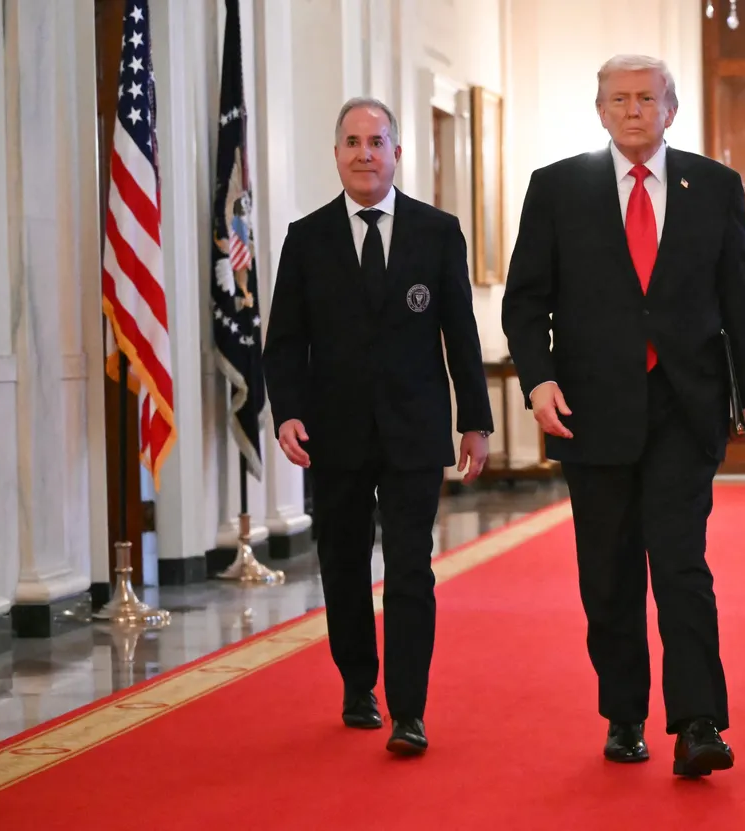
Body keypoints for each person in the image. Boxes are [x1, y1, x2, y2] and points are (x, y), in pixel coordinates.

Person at [501, 54, 745, 777]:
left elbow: (740, 297)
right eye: (618, 99)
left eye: (646, 98)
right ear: (599, 111)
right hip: (592, 409)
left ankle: (699, 721)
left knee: (682, 561)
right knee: (610, 572)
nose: (632, 110)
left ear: (671, 110)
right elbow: (525, 301)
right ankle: (624, 712)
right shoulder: (558, 188)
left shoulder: (713, 186)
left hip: (686, 404)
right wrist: (539, 380)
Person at [263, 97, 493, 756]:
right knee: (341, 562)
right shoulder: (307, 239)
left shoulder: (437, 231)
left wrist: (474, 420)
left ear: (398, 152)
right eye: (354, 142)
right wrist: (290, 411)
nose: (366, 153)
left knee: (412, 567)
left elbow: (460, 333)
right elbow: (286, 342)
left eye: (378, 141)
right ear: (336, 154)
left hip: (415, 431)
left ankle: (409, 709)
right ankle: (357, 680)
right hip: (334, 435)